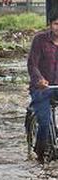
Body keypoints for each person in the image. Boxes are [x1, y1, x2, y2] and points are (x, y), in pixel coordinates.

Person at [27, 13, 58, 164]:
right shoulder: (40, 40)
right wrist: (39, 79)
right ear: (51, 25)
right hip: (42, 88)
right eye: (56, 24)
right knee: (44, 122)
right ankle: (39, 155)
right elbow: (32, 64)